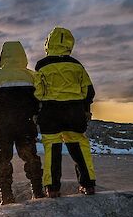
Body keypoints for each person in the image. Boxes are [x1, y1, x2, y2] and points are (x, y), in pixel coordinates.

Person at [34, 27, 96, 197]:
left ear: (48, 43)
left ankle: (52, 188)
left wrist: (37, 109)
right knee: (79, 147)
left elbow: (37, 92)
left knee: (52, 149)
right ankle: (88, 185)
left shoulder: (42, 65)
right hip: (74, 111)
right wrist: (85, 109)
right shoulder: (77, 65)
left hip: (50, 111)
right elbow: (88, 92)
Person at [0, 41, 44, 204]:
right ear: (22, 55)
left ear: (3, 56)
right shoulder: (32, 76)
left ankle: (6, 196)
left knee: (3, 159)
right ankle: (38, 192)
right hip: (25, 124)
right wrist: (34, 115)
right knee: (31, 157)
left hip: (2, 126)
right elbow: (41, 99)